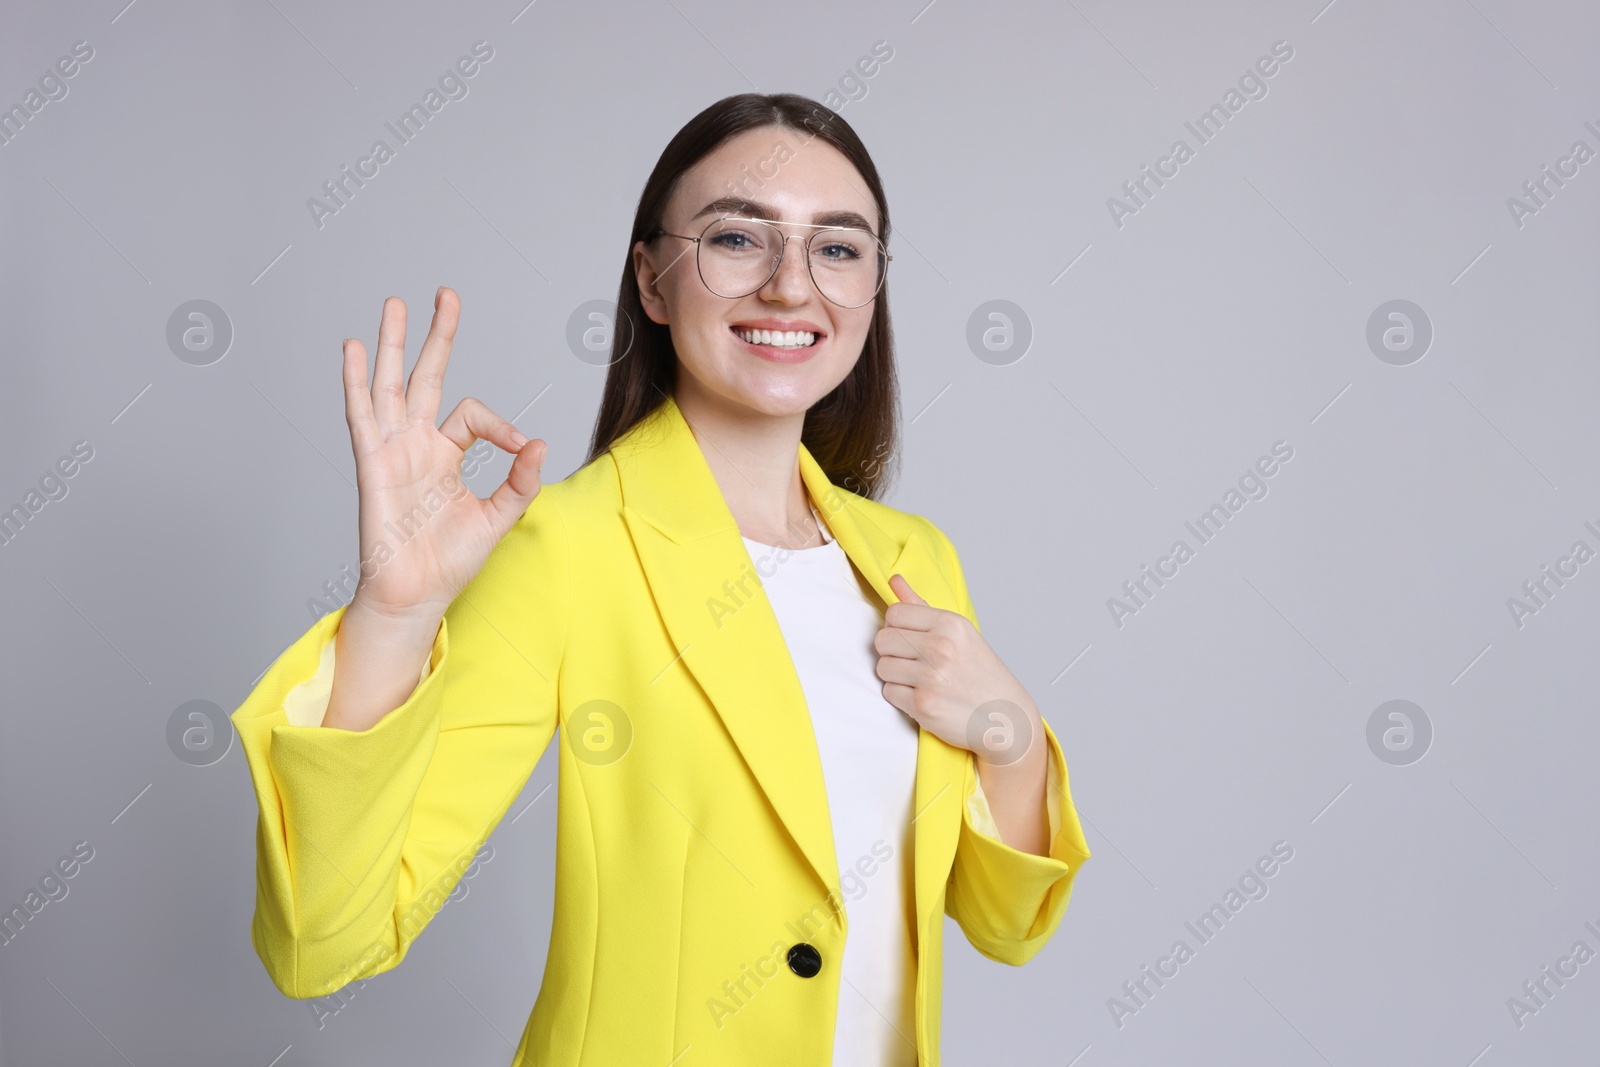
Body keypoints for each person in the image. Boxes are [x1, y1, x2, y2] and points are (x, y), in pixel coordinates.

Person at [230, 92, 1091, 1067]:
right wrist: (393, 616)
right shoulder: (569, 545)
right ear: (651, 278)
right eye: (736, 239)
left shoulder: (912, 559)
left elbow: (1005, 924)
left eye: (839, 249)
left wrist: (1010, 738)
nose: (789, 287)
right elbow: (324, 944)